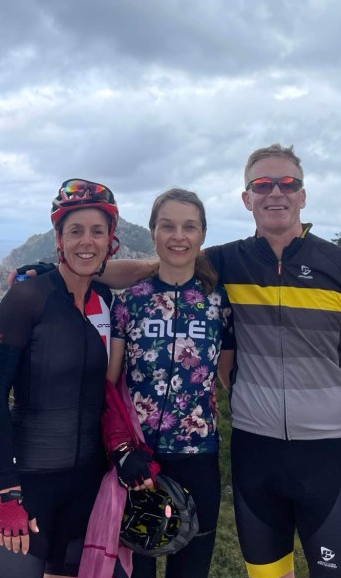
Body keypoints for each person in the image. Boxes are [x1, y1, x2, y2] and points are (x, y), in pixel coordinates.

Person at [99, 145, 341, 578]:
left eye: (288, 183)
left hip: (324, 457)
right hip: (253, 455)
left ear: (303, 195)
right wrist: (66, 271)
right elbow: (156, 267)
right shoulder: (227, 262)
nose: (275, 192)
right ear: (247, 198)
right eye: (262, 184)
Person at [0, 178, 120, 578]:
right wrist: (9, 490)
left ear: (110, 240)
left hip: (87, 488)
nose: (86, 242)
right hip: (28, 484)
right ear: (59, 239)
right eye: (75, 231)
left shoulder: (106, 301)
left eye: (97, 232)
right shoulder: (26, 298)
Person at [106, 189, 234, 578]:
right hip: (137, 460)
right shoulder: (130, 301)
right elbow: (110, 384)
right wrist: (121, 451)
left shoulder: (219, 303)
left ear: (202, 235)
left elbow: (231, 377)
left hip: (199, 458)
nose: (178, 236)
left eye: (189, 227)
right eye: (168, 226)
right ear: (153, 233)